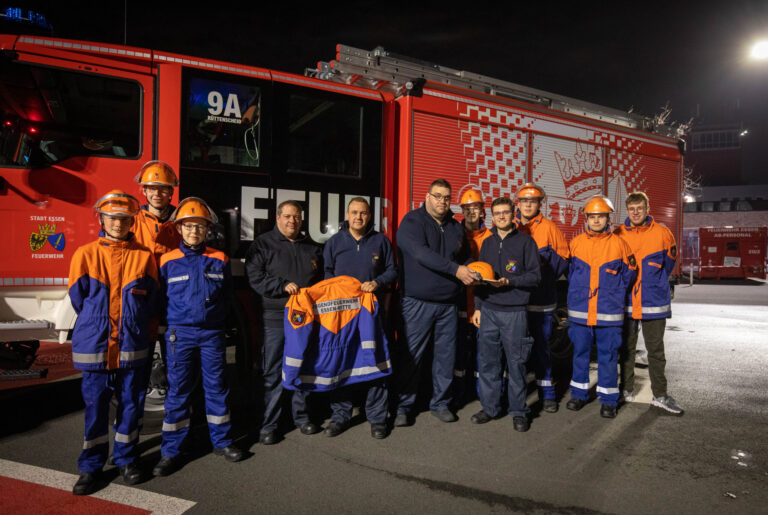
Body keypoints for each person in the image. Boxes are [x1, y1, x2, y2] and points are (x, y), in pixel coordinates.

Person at [68, 190, 159, 495]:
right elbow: (78, 298)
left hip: (132, 344)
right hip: (96, 346)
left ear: (131, 220)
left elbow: (152, 300)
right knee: (95, 407)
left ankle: (127, 459)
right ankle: (91, 467)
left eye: (123, 218)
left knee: (132, 405)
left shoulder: (144, 256)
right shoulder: (84, 254)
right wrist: (100, 323)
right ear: (102, 219)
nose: (118, 223)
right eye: (112, 218)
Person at [152, 198, 243, 477]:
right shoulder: (167, 261)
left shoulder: (220, 258)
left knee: (216, 388)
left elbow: (227, 297)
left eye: (200, 227)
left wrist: (218, 321)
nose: (194, 231)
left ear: (207, 230)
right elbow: (159, 300)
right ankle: (171, 452)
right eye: (189, 226)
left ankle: (222, 442)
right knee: (178, 391)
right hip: (180, 334)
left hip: (212, 334)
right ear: (179, 229)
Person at [393, 179, 475, 426]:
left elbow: (465, 256)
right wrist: (456, 270)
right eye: (437, 196)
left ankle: (440, 403)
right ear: (427, 196)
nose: (442, 201)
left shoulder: (454, 227)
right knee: (411, 357)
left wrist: (472, 267)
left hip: (447, 304)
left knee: (445, 357)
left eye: (447, 197)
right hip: (417, 302)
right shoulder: (412, 222)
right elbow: (420, 253)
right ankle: (403, 407)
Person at [245, 200, 323, 444]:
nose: (292, 221)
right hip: (276, 318)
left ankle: (301, 418)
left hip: (305, 319)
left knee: (303, 367)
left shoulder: (312, 248)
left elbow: (322, 281)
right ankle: (269, 425)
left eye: (297, 217)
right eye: (288, 216)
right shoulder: (262, 244)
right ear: (278, 218)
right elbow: (255, 277)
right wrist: (280, 286)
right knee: (273, 372)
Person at [322, 197, 397, 439]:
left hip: (372, 314)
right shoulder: (334, 243)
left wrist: (378, 282)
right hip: (342, 316)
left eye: (363, 213)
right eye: (354, 212)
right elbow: (327, 274)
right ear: (347, 214)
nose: (358, 217)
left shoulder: (381, 241)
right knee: (341, 361)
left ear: (369, 215)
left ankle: (377, 417)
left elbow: (393, 270)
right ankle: (340, 415)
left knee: (375, 360)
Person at [471, 197, 541, 431]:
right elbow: (480, 279)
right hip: (489, 311)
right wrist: (478, 308)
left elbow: (535, 277)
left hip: (514, 313)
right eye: (497, 213)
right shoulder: (487, 243)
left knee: (517, 364)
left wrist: (509, 281)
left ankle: (519, 410)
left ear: (514, 214)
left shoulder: (526, 242)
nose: (501, 216)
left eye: (505, 212)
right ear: (492, 216)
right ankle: (490, 408)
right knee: (489, 364)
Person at [566, 196, 637, 418]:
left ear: (608, 218)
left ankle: (608, 400)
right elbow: (571, 273)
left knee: (608, 356)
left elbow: (629, 274)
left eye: (601, 216)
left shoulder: (620, 244)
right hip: (581, 312)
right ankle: (578, 394)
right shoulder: (576, 243)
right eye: (592, 216)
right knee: (580, 354)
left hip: (608, 312)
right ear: (586, 218)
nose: (596, 220)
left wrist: (611, 293)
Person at [614, 191, 684, 415]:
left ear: (647, 209)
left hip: (653, 302)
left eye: (640, 208)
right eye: (632, 209)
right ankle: (626, 390)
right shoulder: (618, 233)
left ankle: (661, 395)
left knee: (655, 352)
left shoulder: (663, 233)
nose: (636, 213)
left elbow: (668, 263)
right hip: (626, 302)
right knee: (626, 350)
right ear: (627, 210)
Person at [514, 183, 570, 413]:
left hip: (542, 301)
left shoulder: (549, 228)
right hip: (515, 302)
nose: (528, 204)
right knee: (514, 350)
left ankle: (547, 394)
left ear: (539, 204)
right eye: (524, 201)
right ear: (518, 203)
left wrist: (544, 279)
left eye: (533, 201)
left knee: (542, 349)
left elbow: (563, 257)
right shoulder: (510, 226)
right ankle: (515, 396)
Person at [457, 189, 492, 398]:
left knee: (484, 352)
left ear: (482, 210)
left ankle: (483, 394)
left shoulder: (491, 236)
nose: (471, 212)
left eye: (475, 207)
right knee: (459, 351)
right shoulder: (454, 233)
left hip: (483, 302)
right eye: (467, 208)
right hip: (460, 301)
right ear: (461, 210)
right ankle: (460, 393)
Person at [132, 160, 181, 263]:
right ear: (144, 191)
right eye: (152, 189)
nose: (157, 194)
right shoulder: (133, 220)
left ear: (171, 191)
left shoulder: (180, 221)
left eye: (163, 189)